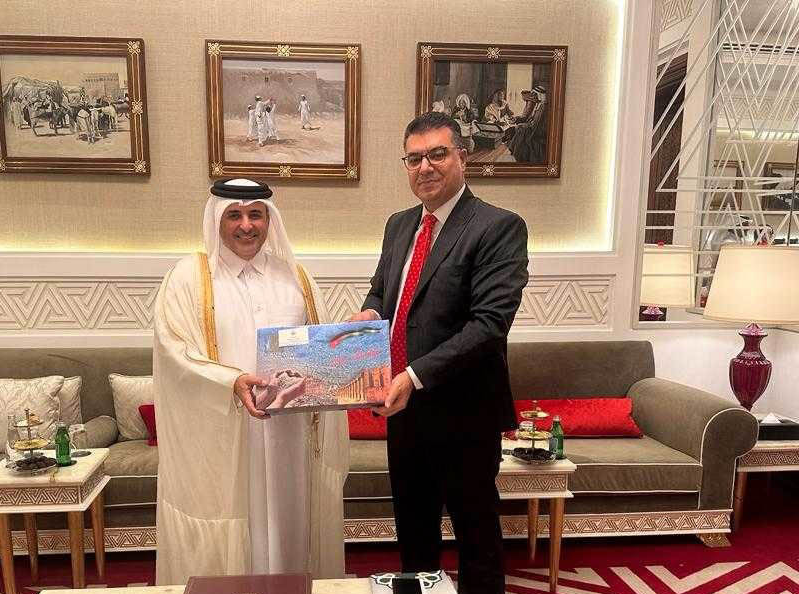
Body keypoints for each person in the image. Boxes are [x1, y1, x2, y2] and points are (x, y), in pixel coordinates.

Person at [348, 112, 528, 594]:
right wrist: (370, 313)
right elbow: (382, 290)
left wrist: (413, 375)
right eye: (414, 159)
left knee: (476, 534)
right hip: (403, 411)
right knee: (413, 530)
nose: (425, 167)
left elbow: (488, 325)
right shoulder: (399, 225)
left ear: (462, 157)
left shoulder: (498, 227)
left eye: (437, 154)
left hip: (465, 412)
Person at [153, 178, 349, 585]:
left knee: (289, 523)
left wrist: (351, 366)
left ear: (269, 220)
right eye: (234, 215)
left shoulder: (295, 278)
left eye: (255, 214)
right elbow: (175, 352)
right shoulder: (188, 278)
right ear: (217, 220)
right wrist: (232, 381)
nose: (246, 225)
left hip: (288, 436)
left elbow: (321, 352)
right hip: (225, 435)